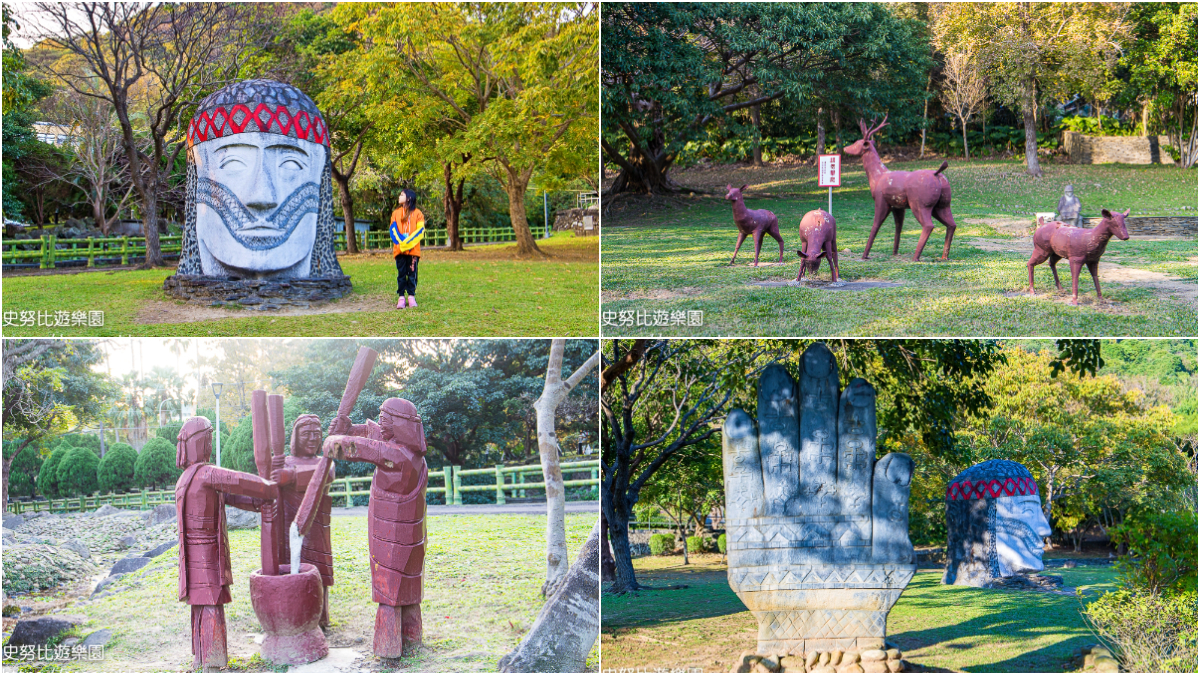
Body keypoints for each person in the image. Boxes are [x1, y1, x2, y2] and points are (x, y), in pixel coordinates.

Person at [324, 398, 428, 657]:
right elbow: (371, 435)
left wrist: (334, 438)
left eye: (385, 417)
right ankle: (412, 641)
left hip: (392, 539)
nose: (380, 421)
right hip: (411, 540)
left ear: (399, 424)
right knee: (409, 593)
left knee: (389, 594)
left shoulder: (396, 456)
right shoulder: (410, 454)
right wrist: (347, 426)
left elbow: (352, 447)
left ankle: (388, 648)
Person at [389, 189, 424, 309]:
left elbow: (420, 231)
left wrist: (408, 243)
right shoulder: (396, 213)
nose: (399, 196)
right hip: (399, 250)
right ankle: (401, 297)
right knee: (401, 274)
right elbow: (393, 230)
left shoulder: (418, 213)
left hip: (413, 251)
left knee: (412, 273)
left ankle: (411, 296)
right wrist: (402, 243)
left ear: (409, 198)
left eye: (402, 195)